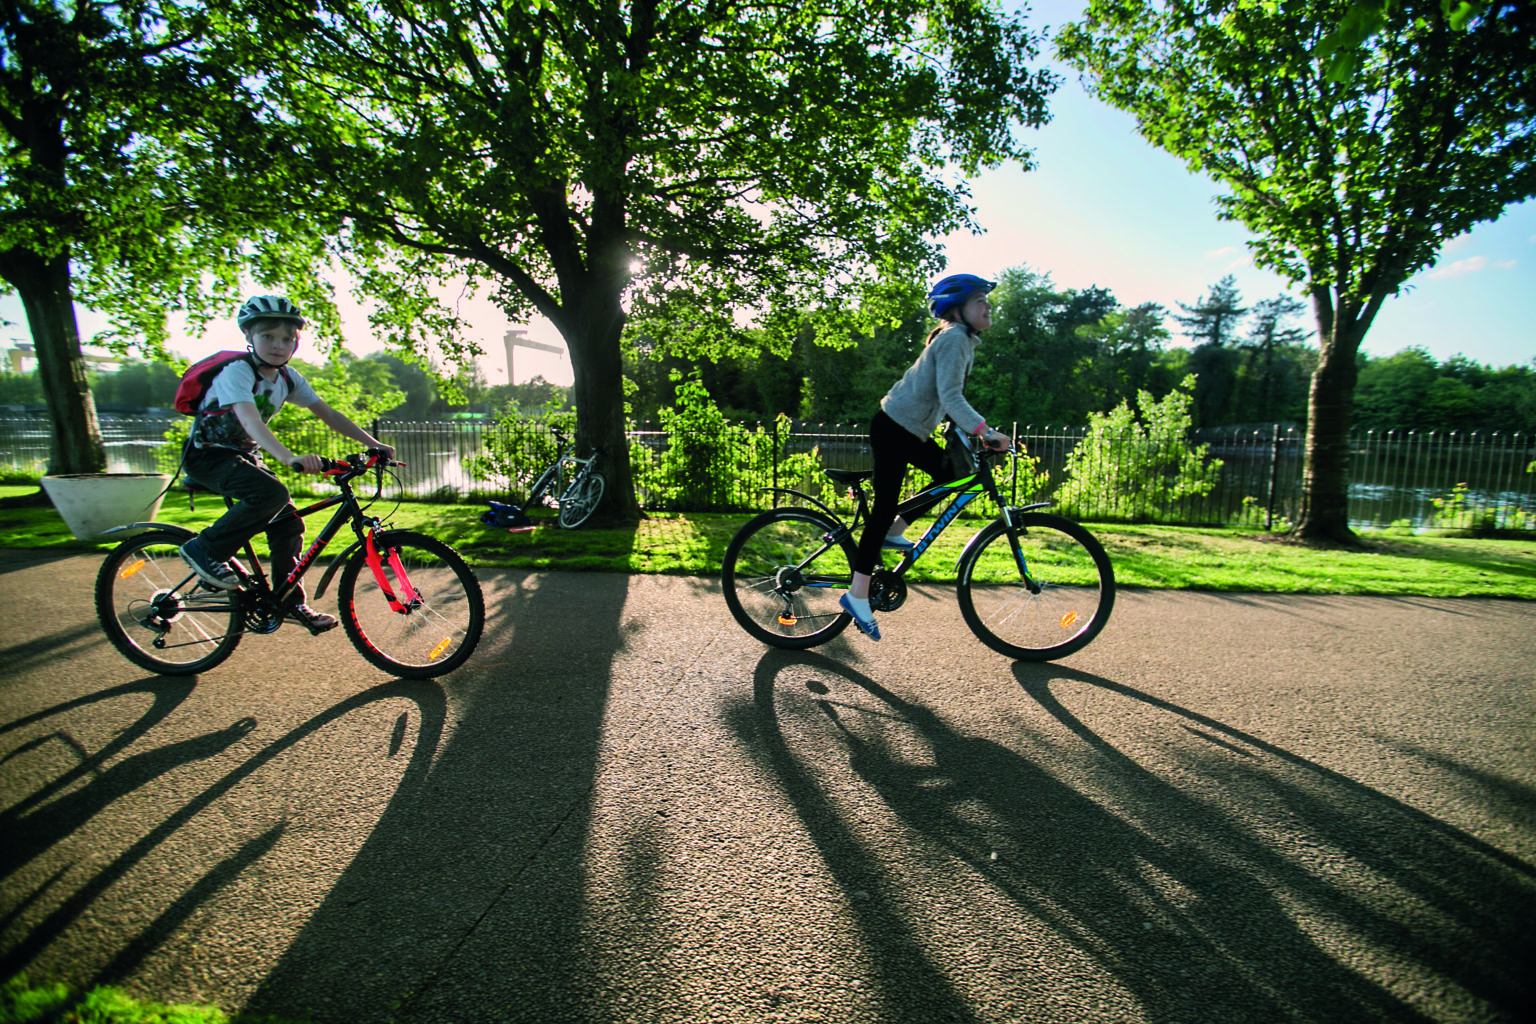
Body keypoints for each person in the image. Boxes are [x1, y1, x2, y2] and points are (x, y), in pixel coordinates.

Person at [178, 295, 394, 635]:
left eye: (288, 339)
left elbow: (329, 414)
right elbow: (251, 422)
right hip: (208, 456)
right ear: (249, 336)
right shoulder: (237, 372)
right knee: (272, 493)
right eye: (268, 337)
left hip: (244, 458)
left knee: (288, 523)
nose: (279, 345)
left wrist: (373, 444)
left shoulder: (288, 379)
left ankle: (289, 602)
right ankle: (202, 549)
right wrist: (288, 457)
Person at [838, 273, 1012, 641]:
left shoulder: (958, 339)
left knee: (952, 475)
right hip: (895, 426)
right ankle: (857, 594)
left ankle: (896, 531)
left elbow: (944, 399)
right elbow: (951, 397)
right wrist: (986, 431)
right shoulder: (953, 338)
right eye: (980, 300)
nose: (988, 306)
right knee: (884, 509)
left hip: (906, 428)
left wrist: (968, 434)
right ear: (958, 309)